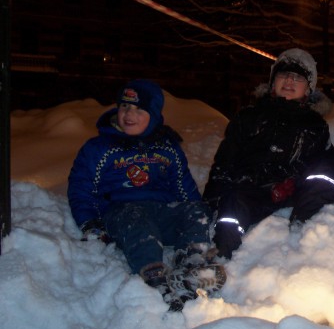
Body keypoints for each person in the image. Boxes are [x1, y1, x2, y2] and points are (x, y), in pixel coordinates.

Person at [68, 79, 221, 311]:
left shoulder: (166, 148)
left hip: (160, 212)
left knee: (195, 210)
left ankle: (192, 262)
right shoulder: (99, 148)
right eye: (124, 107)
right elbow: (81, 188)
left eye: (139, 109)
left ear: (154, 115)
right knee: (137, 218)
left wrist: (194, 213)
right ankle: (153, 271)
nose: (130, 114)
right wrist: (89, 222)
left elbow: (184, 187)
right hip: (122, 214)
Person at [203, 48, 334, 260]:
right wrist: (214, 196)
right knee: (232, 204)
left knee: (326, 176)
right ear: (272, 82)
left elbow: (327, 159)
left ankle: (302, 226)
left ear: (309, 89)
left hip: (292, 189)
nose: (290, 81)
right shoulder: (249, 117)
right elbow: (226, 159)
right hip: (252, 189)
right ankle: (221, 255)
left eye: (298, 77)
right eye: (283, 74)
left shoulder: (314, 125)